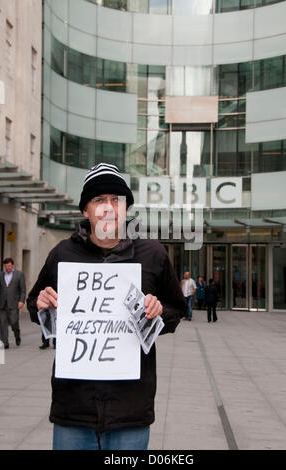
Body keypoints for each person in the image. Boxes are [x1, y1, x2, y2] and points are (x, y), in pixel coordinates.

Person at [26, 163, 187, 451]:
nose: (109, 207)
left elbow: (176, 310)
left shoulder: (152, 254)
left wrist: (159, 310)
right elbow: (35, 304)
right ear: (85, 211)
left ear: (126, 208)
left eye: (117, 199)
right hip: (73, 409)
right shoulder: (62, 253)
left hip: (130, 409)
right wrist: (42, 305)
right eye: (99, 200)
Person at [0, 258, 26, 349]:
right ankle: (5, 342)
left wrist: (21, 301)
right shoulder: (0, 275)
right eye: (6, 266)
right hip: (2, 304)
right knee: (3, 324)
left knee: (14, 322)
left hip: (14, 303)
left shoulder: (19, 275)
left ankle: (17, 336)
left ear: (12, 265)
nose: (8, 268)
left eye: (9, 266)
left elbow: (22, 290)